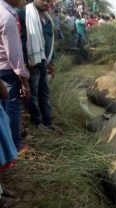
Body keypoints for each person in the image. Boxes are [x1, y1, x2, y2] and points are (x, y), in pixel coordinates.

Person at [17, 0, 59, 132]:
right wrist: (23, 64)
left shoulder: (48, 18)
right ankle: (37, 122)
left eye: (50, 1)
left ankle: (48, 122)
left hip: (43, 62)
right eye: (44, 0)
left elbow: (50, 41)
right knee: (33, 94)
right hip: (31, 62)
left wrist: (51, 60)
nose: (47, 3)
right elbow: (19, 40)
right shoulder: (23, 13)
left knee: (45, 93)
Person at [0, 0, 31, 151]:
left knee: (3, 109)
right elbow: (15, 55)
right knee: (13, 106)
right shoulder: (7, 17)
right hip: (8, 70)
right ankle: (15, 144)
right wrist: (24, 82)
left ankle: (6, 144)